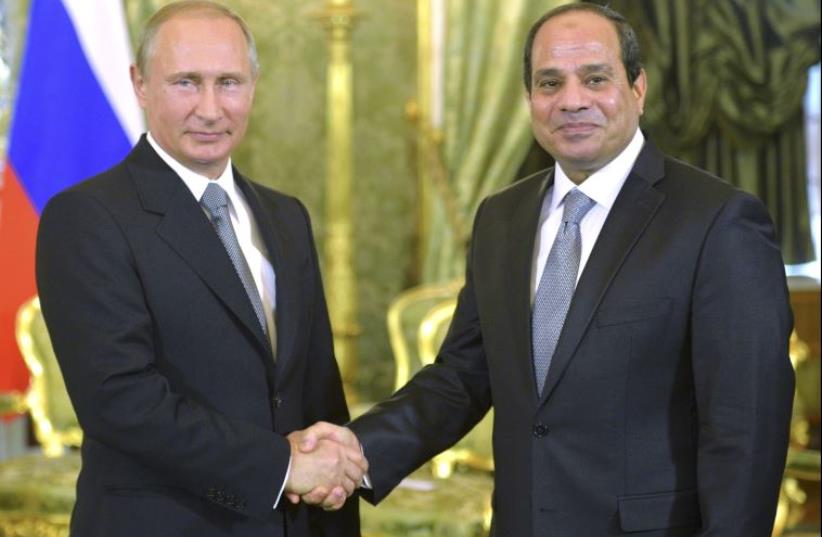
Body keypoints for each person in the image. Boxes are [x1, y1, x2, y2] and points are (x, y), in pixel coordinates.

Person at [294, 4, 795, 536]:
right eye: (550, 82)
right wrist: (358, 447)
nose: (572, 100)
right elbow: (462, 378)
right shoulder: (501, 218)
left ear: (638, 89)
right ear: (530, 98)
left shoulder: (717, 221)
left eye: (595, 78)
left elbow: (747, 426)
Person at [35, 2, 364, 536]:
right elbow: (121, 402)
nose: (210, 109)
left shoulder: (286, 216)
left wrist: (333, 482)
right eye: (186, 83)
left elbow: (316, 390)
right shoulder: (87, 216)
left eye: (229, 82)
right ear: (140, 84)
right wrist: (283, 467)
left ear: (254, 85)